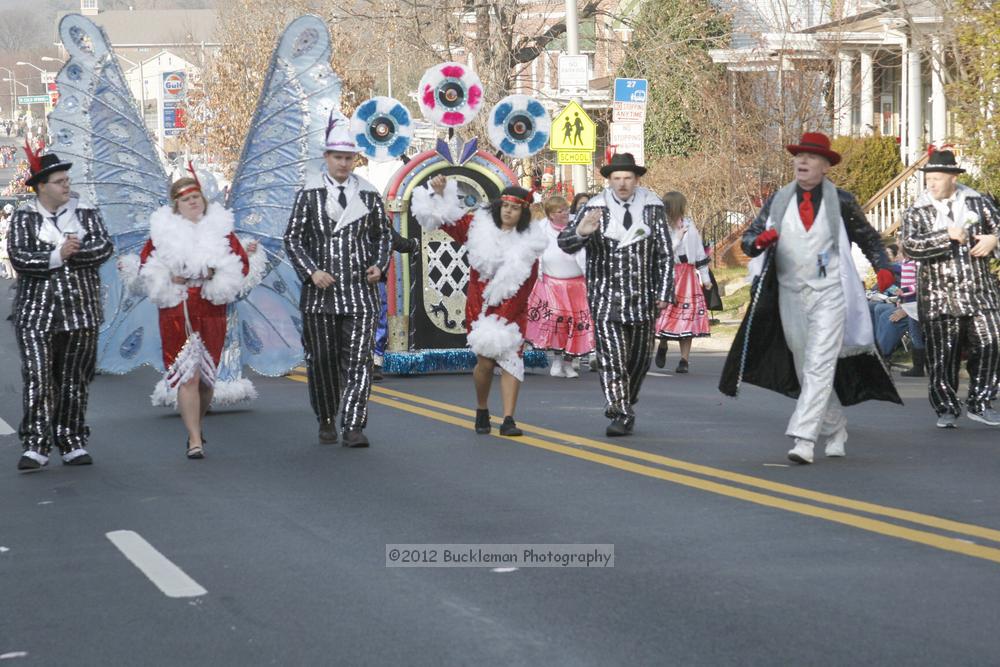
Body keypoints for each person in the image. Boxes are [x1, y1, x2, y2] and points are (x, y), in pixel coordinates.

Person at [719, 132, 901, 464]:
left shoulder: (842, 201)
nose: (802, 161)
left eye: (811, 157)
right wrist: (761, 241)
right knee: (806, 368)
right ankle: (835, 427)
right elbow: (748, 241)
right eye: (799, 156)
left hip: (831, 292)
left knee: (818, 363)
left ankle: (804, 438)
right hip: (790, 292)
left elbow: (870, 238)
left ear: (826, 166)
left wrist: (884, 268)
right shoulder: (779, 199)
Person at [120, 174, 255, 458]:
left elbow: (240, 264)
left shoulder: (221, 231)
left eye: (196, 197)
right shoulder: (162, 233)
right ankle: (194, 439)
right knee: (188, 377)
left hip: (211, 308)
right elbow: (147, 268)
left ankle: (197, 423)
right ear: (176, 205)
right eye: (186, 199)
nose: (193, 202)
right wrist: (170, 276)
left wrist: (215, 272)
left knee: (207, 381)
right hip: (176, 310)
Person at [283, 111, 393, 448]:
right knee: (323, 360)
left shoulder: (369, 194)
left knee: (359, 360)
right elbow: (292, 239)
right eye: (338, 158)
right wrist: (311, 271)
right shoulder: (309, 194)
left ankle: (354, 425)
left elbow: (383, 237)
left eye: (349, 158)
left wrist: (379, 265)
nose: (343, 164)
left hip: (360, 294)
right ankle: (326, 416)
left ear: (355, 159)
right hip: (321, 298)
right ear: (326, 158)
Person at [412, 175, 546, 436]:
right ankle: (482, 407)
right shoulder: (477, 227)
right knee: (485, 363)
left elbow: (526, 284)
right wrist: (440, 194)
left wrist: (507, 315)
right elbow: (450, 221)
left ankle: (508, 419)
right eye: (506, 206)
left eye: (515, 208)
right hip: (480, 306)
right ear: (498, 208)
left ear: (523, 213)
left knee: (512, 360)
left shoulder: (530, 244)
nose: (509, 211)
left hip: (512, 307)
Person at [7, 144, 113, 471]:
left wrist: (74, 252)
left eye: (67, 179)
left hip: (80, 312)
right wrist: (57, 255)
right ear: (41, 186)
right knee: (38, 377)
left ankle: (71, 439)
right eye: (58, 181)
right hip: (36, 314)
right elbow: (19, 257)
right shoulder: (24, 217)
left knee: (73, 379)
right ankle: (36, 445)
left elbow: (104, 246)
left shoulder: (86, 213)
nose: (66, 185)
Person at [558, 152, 674, 437]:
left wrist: (663, 292)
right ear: (609, 180)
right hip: (605, 297)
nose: (622, 184)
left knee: (638, 361)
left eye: (628, 178)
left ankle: (626, 397)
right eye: (617, 178)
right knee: (612, 359)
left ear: (636, 180)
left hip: (642, 298)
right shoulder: (595, 208)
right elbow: (566, 243)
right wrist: (582, 232)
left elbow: (666, 255)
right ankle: (619, 411)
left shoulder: (652, 207)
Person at [900, 149, 1000, 428]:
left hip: (979, 291)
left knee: (993, 339)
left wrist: (994, 240)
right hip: (938, 296)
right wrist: (946, 235)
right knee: (943, 355)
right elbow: (910, 246)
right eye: (928, 178)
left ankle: (981, 402)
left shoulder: (978, 203)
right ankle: (946, 406)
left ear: (953, 178)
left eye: (936, 178)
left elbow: (999, 229)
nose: (930, 183)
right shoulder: (916, 211)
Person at [525, 195, 595, 378]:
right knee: (558, 324)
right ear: (550, 215)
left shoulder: (577, 225)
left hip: (577, 284)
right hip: (552, 284)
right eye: (559, 211)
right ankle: (556, 361)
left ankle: (569, 362)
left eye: (565, 209)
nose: (564, 213)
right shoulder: (541, 228)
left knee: (576, 324)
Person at [653, 191, 712, 373]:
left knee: (688, 317)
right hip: (670, 275)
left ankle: (684, 360)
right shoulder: (661, 228)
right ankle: (663, 343)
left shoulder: (690, 225)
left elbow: (700, 253)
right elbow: (662, 254)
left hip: (688, 276)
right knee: (667, 314)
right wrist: (677, 238)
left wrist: (705, 277)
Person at [372, 230, 419, 382]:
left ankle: (375, 361)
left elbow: (390, 236)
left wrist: (411, 245)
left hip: (372, 276)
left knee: (378, 317)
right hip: (348, 276)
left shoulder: (375, 213)